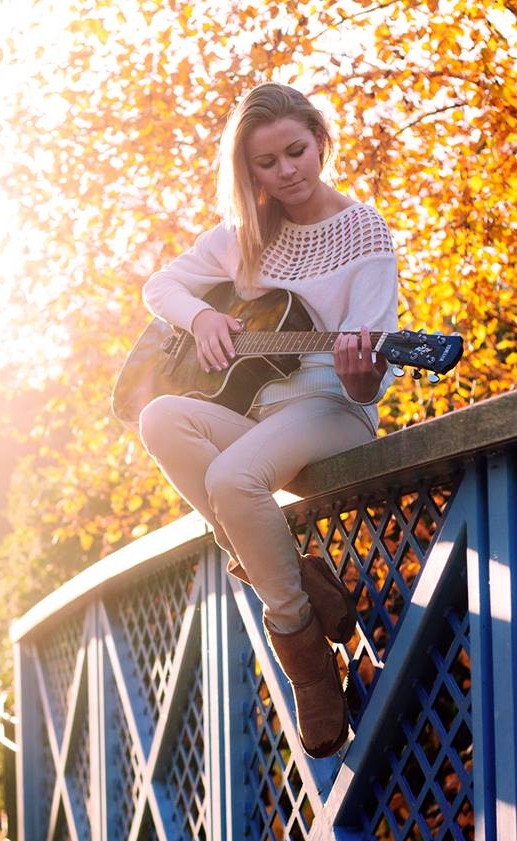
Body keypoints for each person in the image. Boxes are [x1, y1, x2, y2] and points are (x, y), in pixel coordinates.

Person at [137, 82, 398, 758]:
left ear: (320, 140)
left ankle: (303, 653)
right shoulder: (243, 237)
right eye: (267, 162)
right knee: (162, 417)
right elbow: (158, 286)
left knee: (231, 477)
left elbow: (372, 382)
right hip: (258, 416)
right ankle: (299, 580)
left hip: (332, 408)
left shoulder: (363, 229)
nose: (287, 171)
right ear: (246, 168)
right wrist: (201, 316)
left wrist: (360, 369)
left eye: (296, 151)